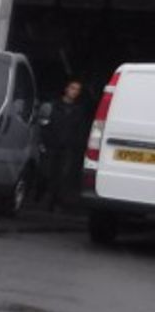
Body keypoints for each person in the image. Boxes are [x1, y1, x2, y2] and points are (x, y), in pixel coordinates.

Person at [41, 78, 90, 212]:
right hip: (52, 145)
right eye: (73, 88)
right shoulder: (53, 106)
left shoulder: (78, 111)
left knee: (63, 175)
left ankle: (55, 202)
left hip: (68, 147)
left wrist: (77, 146)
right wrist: (44, 141)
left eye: (77, 90)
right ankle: (45, 199)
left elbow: (80, 130)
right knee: (48, 173)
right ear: (66, 89)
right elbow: (44, 126)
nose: (74, 92)